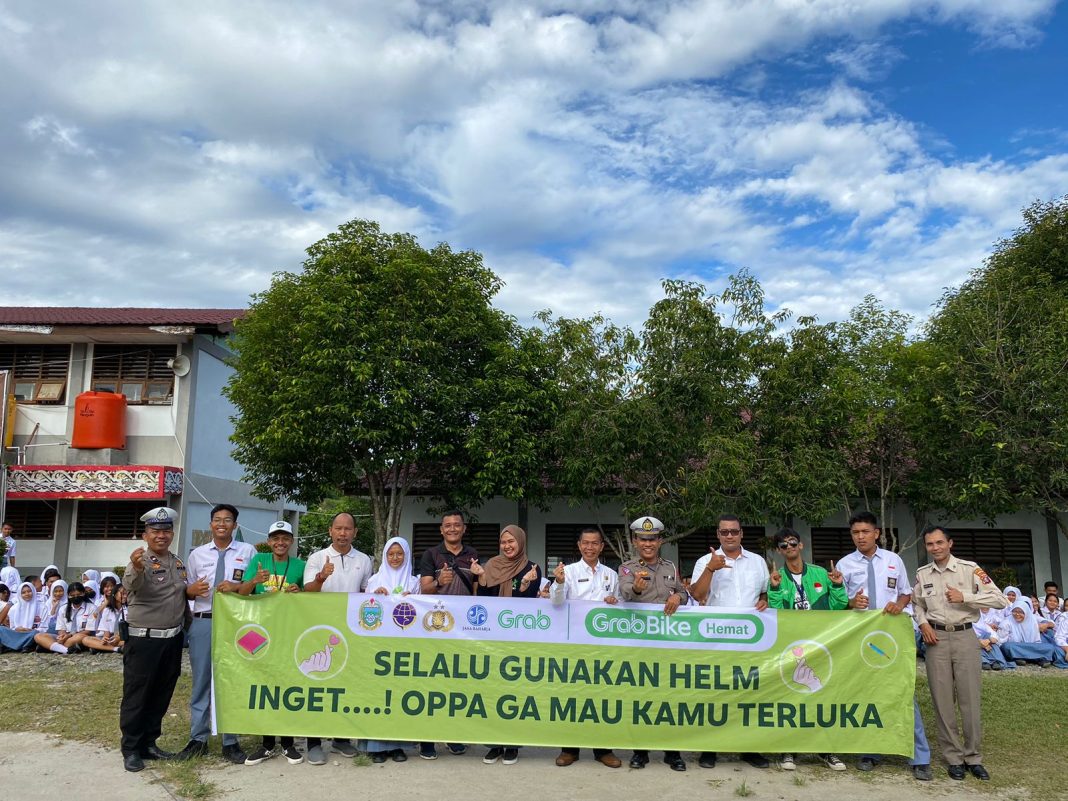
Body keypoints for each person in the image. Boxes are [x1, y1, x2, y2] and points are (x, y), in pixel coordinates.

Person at [837, 511, 933, 781]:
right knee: (866, 694)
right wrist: (850, 603)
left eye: (865, 532)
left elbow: (906, 592)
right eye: (855, 533)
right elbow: (838, 602)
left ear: (876, 533)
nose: (860, 537)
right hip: (861, 639)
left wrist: (899, 605)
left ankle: (920, 757)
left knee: (903, 695)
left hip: (892, 639)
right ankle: (870, 751)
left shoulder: (893, 560)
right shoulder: (845, 565)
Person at [913, 525, 1008, 781]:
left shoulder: (969, 569)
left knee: (969, 699)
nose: (935, 548)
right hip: (936, 640)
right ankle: (953, 757)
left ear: (950, 543)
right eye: (930, 544)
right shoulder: (923, 574)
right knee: (942, 701)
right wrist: (922, 624)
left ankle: (973, 757)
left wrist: (965, 596)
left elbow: (1000, 599)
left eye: (940, 542)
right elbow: (917, 605)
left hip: (965, 636)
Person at [688, 514, 769, 771]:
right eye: (725, 532)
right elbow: (698, 595)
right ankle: (710, 748)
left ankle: (749, 748)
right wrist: (712, 568)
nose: (730, 536)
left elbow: (765, 592)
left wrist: (765, 599)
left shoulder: (757, 562)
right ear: (718, 535)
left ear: (741, 533)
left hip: (751, 638)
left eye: (734, 531)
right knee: (715, 694)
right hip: (716, 638)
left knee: (749, 694)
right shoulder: (705, 561)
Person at [177, 503, 255, 764]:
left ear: (235, 525)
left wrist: (236, 586)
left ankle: (230, 740)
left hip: (234, 623)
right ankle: (198, 739)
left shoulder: (248, 551)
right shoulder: (197, 554)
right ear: (211, 524)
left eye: (228, 520)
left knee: (230, 680)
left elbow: (253, 587)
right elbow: (186, 590)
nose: (222, 524)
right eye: (217, 520)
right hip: (204, 621)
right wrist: (191, 591)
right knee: (201, 680)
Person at [766, 527, 848, 772]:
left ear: (800, 545)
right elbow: (776, 611)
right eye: (783, 545)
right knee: (790, 696)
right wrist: (775, 589)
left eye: (792, 543)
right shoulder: (777, 577)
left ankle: (826, 750)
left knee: (822, 696)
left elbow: (838, 606)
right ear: (778, 551)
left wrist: (836, 586)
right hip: (791, 646)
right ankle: (788, 749)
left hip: (822, 643)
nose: (789, 548)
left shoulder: (820, 573)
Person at [119, 506, 190, 772]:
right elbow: (131, 584)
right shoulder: (139, 562)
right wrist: (136, 567)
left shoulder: (177, 561)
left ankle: (149, 743)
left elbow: (180, 593)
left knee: (161, 694)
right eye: (156, 531)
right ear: (145, 535)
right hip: (144, 641)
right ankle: (131, 748)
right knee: (137, 696)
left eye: (166, 530)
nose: (162, 535)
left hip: (171, 639)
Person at [618, 516, 688, 772]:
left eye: (653, 539)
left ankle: (672, 752)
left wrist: (679, 597)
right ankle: (640, 751)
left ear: (660, 541)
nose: (648, 543)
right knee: (641, 697)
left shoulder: (670, 566)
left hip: (668, 642)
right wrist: (636, 589)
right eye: (643, 539)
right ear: (636, 541)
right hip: (640, 642)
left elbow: (683, 591)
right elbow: (625, 592)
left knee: (670, 696)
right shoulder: (627, 568)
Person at [302, 511, 372, 765]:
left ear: (355, 532)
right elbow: (307, 591)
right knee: (317, 685)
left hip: (350, 632)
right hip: (319, 630)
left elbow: (367, 593)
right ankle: (313, 742)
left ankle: (341, 738)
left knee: (345, 686)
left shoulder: (364, 560)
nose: (343, 533)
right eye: (338, 528)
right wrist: (322, 577)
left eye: (348, 529)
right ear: (330, 531)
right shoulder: (317, 557)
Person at [550, 527, 622, 769]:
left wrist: (615, 602)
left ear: (602, 546)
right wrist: (558, 583)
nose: (590, 547)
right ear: (579, 546)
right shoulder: (567, 572)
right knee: (573, 697)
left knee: (602, 698)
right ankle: (569, 749)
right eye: (586, 543)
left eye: (595, 543)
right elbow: (556, 602)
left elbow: (620, 604)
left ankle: (603, 750)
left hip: (603, 646)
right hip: (575, 644)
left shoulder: (611, 574)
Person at [471, 525, 542, 765]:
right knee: (492, 692)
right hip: (492, 638)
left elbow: (528, 606)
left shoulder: (532, 569)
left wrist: (524, 586)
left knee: (515, 692)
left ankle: (512, 744)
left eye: (511, 541)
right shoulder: (491, 565)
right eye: (503, 542)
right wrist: (481, 578)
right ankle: (493, 744)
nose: (507, 546)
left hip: (519, 639)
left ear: (521, 542)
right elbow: (484, 602)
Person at [238, 520, 307, 766]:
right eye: (276, 538)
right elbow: (242, 593)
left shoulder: (300, 564)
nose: (280, 542)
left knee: (287, 686)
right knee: (265, 687)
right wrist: (255, 580)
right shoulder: (259, 561)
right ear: (269, 541)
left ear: (291, 541)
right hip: (260, 634)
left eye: (285, 538)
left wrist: (301, 593)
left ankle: (288, 744)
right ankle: (267, 744)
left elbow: (310, 599)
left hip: (288, 634)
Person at [415, 509, 479, 759]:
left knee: (457, 685)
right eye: (447, 525)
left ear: (464, 529)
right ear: (441, 530)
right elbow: (425, 590)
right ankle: (428, 741)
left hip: (462, 628)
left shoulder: (472, 554)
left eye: (457, 525)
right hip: (435, 627)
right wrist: (440, 580)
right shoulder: (430, 554)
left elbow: (476, 591)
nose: (452, 529)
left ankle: (453, 737)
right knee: (431, 684)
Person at [365, 536, 420, 763]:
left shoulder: (414, 582)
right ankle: (375, 747)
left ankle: (398, 746)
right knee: (378, 694)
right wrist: (374, 596)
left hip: (404, 645)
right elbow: (365, 609)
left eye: (399, 554)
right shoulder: (374, 580)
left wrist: (413, 599)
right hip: (379, 645)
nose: (395, 558)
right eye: (391, 554)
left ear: (406, 556)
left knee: (399, 695)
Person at [998, 599, 1068, 668]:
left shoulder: (1032, 620)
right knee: (1007, 646)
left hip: (1032, 646)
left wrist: (1044, 625)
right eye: (1014, 611)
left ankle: (1020, 657)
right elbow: (1000, 642)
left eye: (1021, 612)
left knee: (1050, 647)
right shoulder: (1006, 622)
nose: (1017, 614)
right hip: (1016, 646)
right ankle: (1038, 658)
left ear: (1026, 612)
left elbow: (1051, 624)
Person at [0, 581, 40, 652]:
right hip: (17, 633)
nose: (27, 594)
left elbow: (45, 627)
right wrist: (17, 629)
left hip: (30, 633)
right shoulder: (13, 609)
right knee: (1, 629)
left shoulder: (42, 607)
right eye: (23, 592)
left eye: (29, 591)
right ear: (20, 594)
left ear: (33, 591)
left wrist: (30, 630)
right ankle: (24, 646)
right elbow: (12, 627)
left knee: (35, 634)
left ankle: (11, 646)